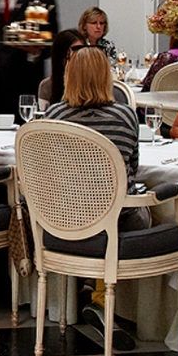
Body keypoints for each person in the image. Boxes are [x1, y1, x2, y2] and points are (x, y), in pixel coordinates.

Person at [46, 47, 150, 231]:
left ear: (69, 76)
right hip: (119, 221)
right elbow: (132, 168)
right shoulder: (124, 116)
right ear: (106, 77)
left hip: (64, 219)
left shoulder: (54, 115)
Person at [37, 29, 85, 108]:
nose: (77, 56)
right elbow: (44, 118)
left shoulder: (94, 83)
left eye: (81, 50)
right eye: (73, 51)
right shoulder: (47, 86)